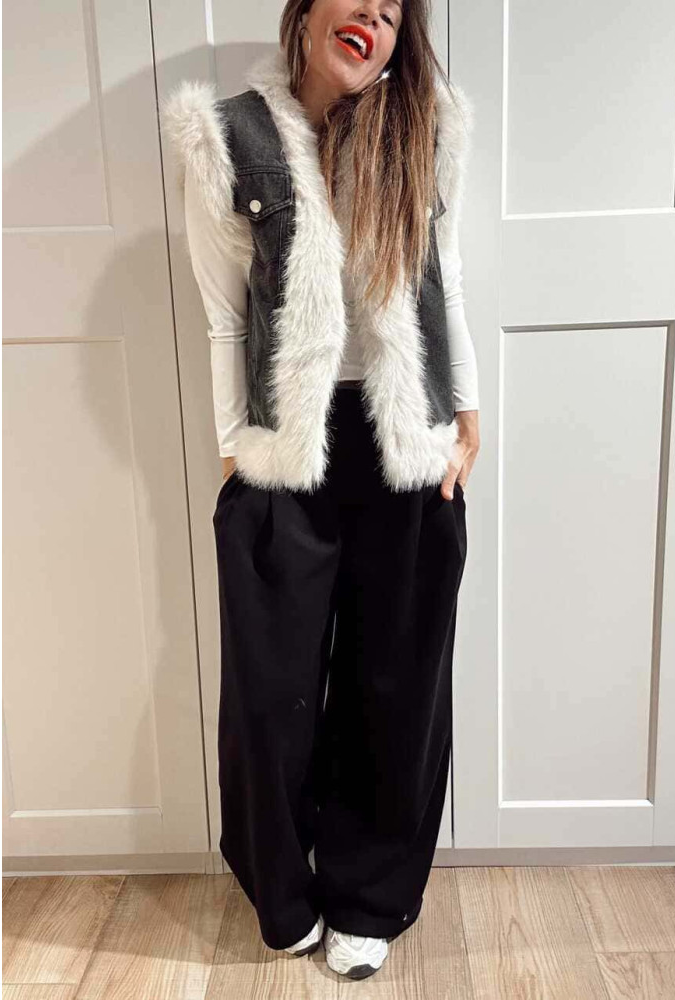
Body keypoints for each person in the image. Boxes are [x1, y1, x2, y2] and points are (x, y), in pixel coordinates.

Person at [163, 0, 478, 981]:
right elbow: (223, 314)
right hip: (284, 456)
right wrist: (234, 454)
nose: (374, 20)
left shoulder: (425, 127)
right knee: (272, 694)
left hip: (404, 445)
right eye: (359, 0)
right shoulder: (226, 137)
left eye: (392, 13)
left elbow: (445, 277)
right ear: (304, 11)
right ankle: (282, 888)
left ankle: (371, 895)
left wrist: (466, 410)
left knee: (396, 683)